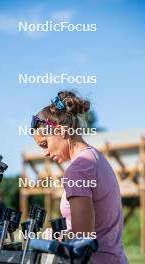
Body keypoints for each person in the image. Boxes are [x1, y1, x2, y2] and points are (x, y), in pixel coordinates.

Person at [31, 90, 129, 264]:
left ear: (60, 131)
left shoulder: (78, 169)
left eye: (44, 144)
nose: (45, 152)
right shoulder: (95, 158)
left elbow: (82, 238)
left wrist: (52, 237)